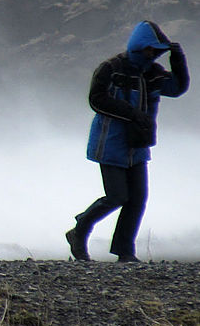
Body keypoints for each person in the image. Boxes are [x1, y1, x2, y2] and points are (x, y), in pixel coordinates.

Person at [66, 21, 189, 262]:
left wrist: (178, 60)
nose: (152, 55)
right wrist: (131, 113)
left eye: (157, 52)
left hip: (138, 147)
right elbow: (96, 99)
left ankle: (125, 251)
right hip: (110, 143)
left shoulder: (152, 74)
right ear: (138, 46)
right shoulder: (111, 69)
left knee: (138, 199)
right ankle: (80, 230)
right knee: (117, 196)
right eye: (150, 50)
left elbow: (177, 88)